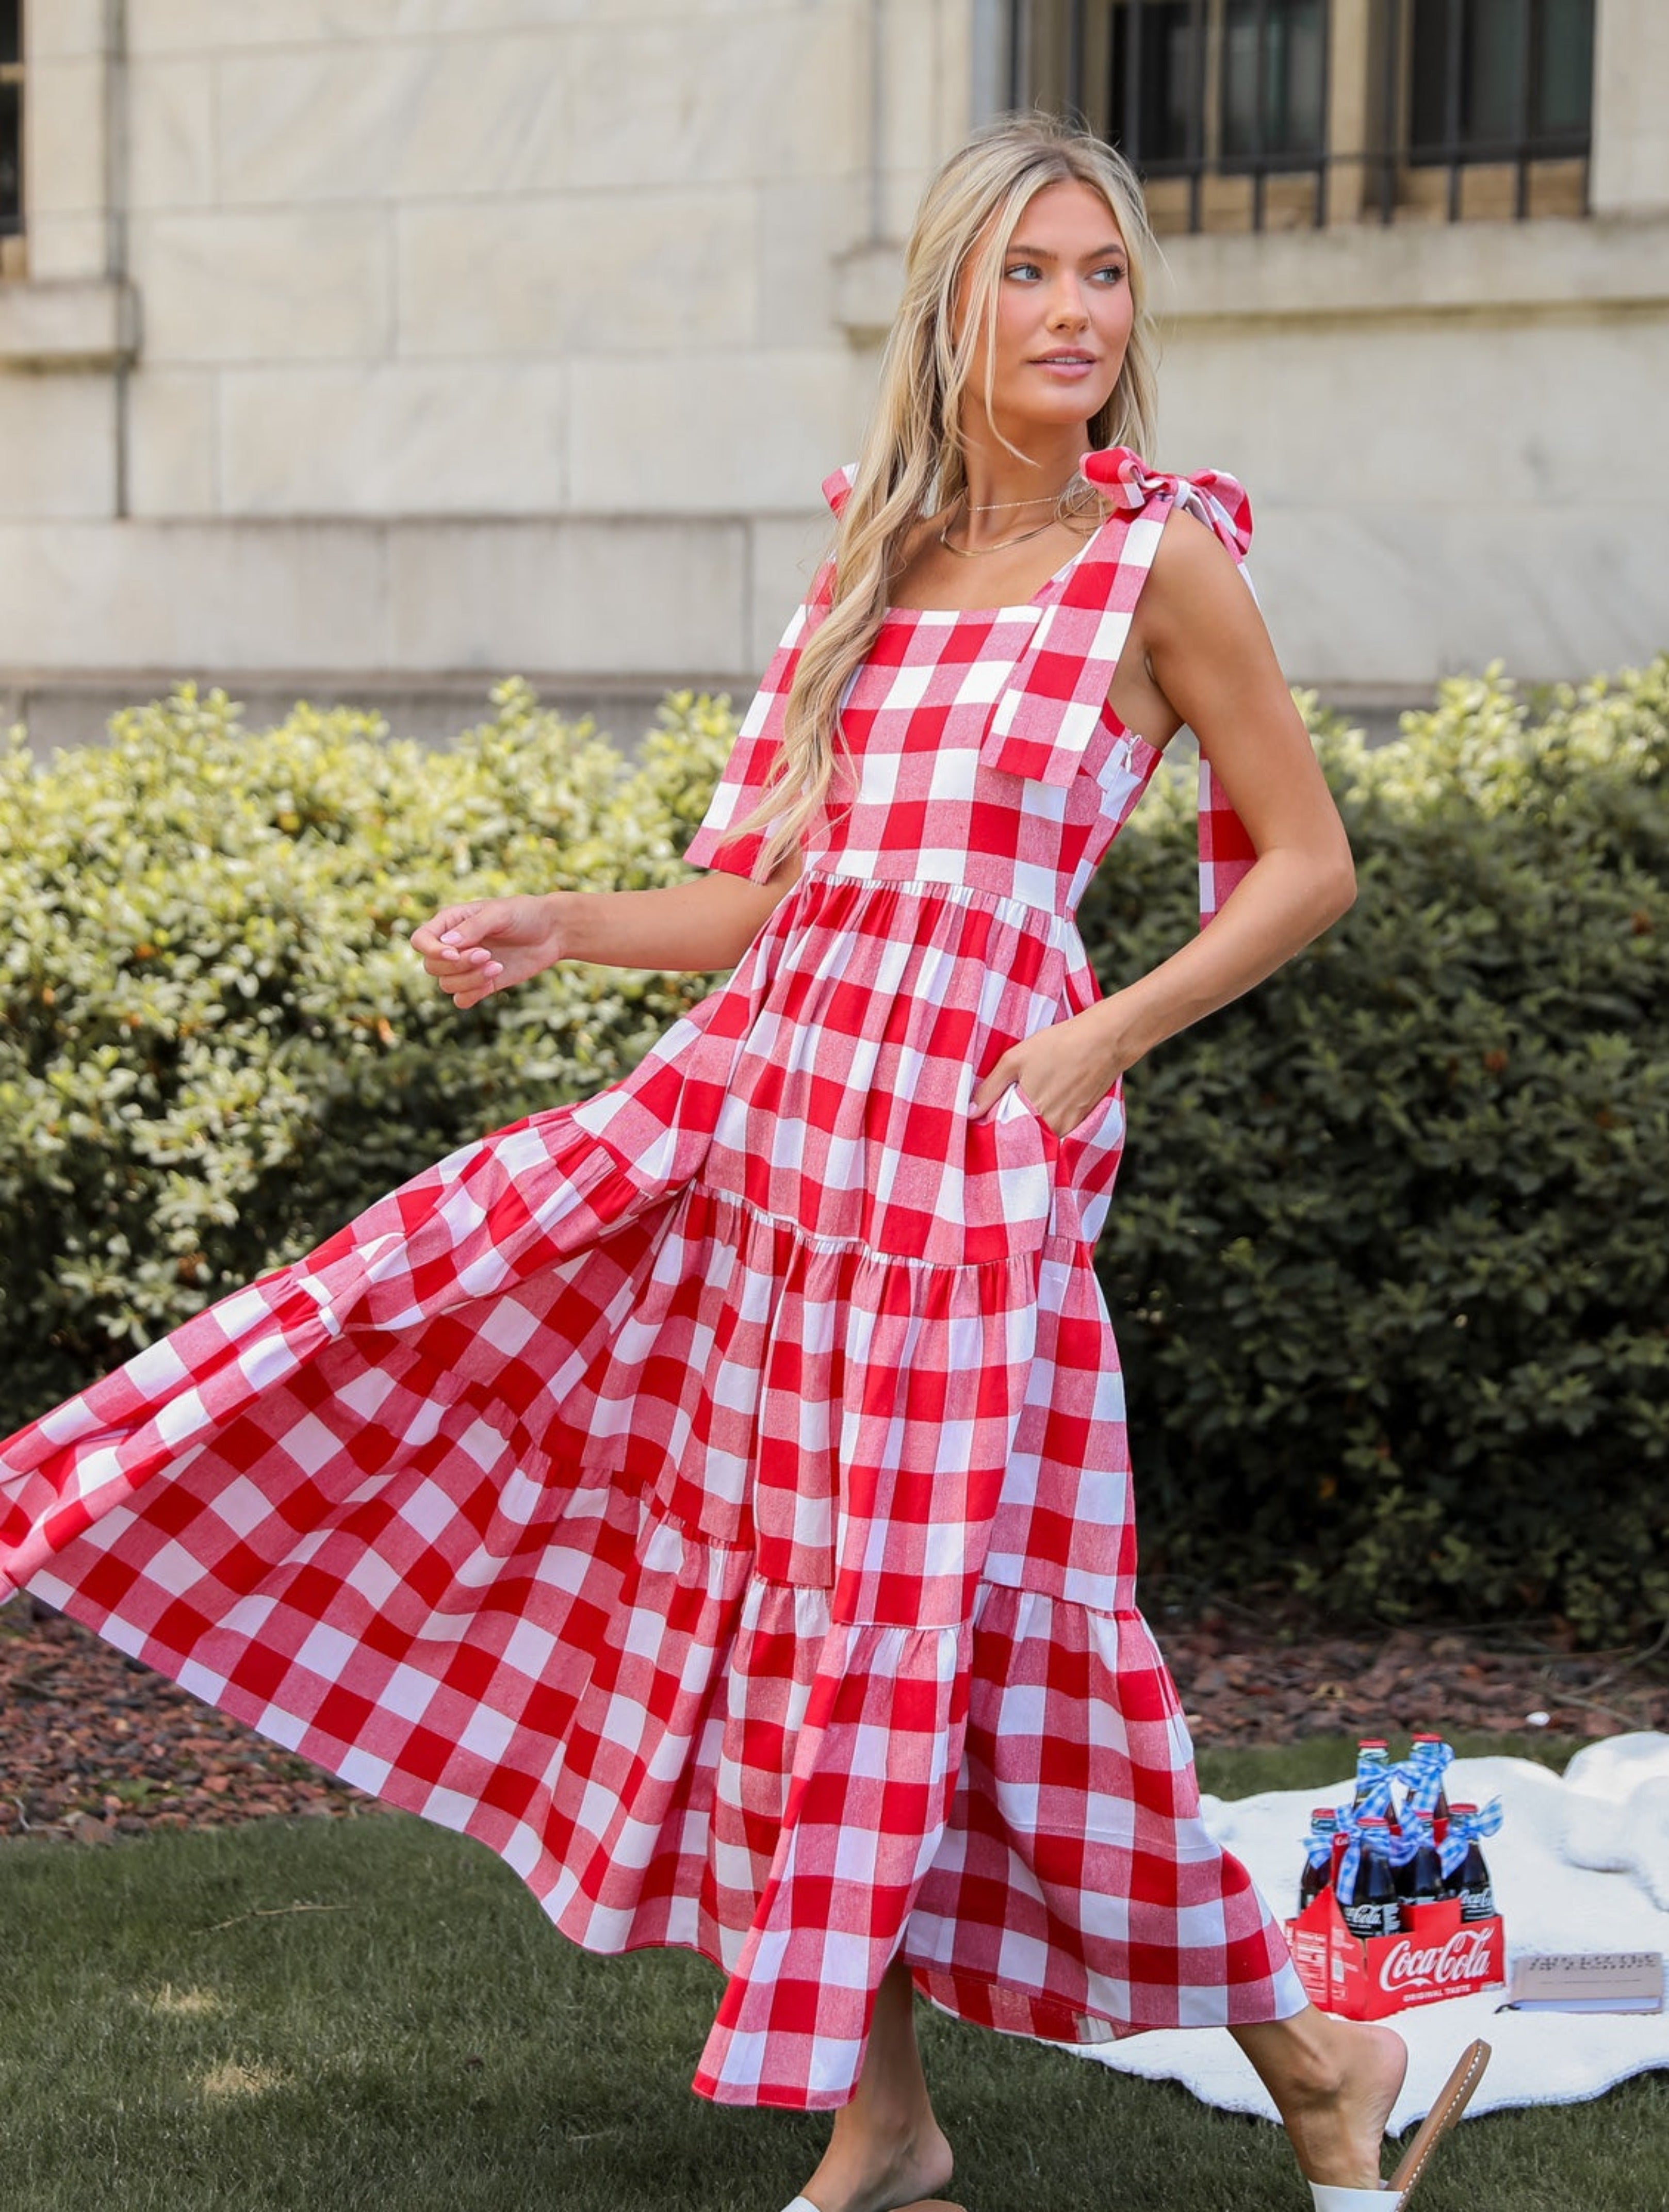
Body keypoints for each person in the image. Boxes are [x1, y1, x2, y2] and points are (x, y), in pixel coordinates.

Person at [0, 116, 1486, 2212]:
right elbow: (768, 906)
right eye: (1028, 274)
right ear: (950, 307)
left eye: (1105, 276)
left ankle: (1318, 2054)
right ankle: (882, 2119)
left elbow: (1308, 864)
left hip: (976, 1162)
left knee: (1007, 1642)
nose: (1074, 314)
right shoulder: (870, 566)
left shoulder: (1158, 560)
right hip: (778, 1132)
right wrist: (557, 925)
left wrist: (1097, 1027)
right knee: (802, 1609)